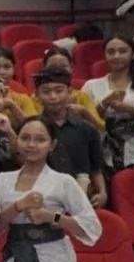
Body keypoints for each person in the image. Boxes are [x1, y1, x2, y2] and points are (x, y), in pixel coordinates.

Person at [0, 117, 102, 262]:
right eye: (25, 138)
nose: (31, 144)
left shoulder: (63, 181)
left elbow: (91, 227)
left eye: (40, 139)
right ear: (17, 141)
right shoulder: (2, 180)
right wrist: (17, 207)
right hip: (17, 261)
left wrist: (52, 217)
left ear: (52, 145)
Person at [83, 35, 134, 174]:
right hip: (100, 155)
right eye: (111, 52)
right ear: (105, 55)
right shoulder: (91, 85)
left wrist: (132, 111)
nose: (116, 56)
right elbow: (82, 122)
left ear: (132, 54)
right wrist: (103, 104)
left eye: (122, 51)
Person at [33, 67, 107, 208]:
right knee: (56, 222)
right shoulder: (32, 127)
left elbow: (96, 168)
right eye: (46, 92)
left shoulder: (87, 128)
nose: (53, 96)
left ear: (70, 92)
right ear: (36, 94)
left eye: (59, 90)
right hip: (43, 200)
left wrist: (103, 193)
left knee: (73, 226)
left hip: (81, 198)